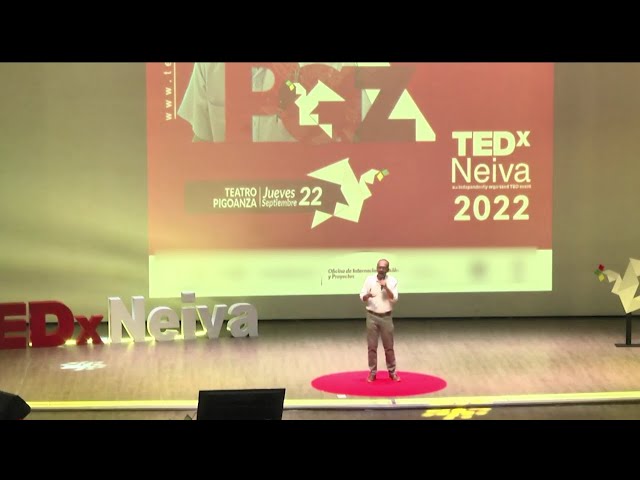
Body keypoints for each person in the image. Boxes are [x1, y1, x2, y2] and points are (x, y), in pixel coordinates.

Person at [359, 259, 400, 382]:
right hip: (372, 316)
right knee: (372, 347)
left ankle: (392, 372)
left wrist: (386, 287)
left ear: (388, 269)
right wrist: (367, 296)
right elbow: (362, 296)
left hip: (386, 317)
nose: (381, 269)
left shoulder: (392, 281)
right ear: (377, 268)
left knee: (389, 347)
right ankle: (372, 373)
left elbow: (394, 299)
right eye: (379, 267)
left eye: (383, 267)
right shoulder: (369, 280)